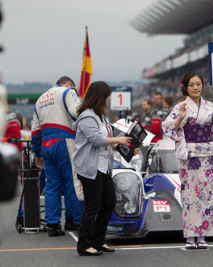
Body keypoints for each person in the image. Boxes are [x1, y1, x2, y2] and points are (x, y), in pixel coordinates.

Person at [162, 71, 213, 250]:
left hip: (208, 157)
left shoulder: (210, 106)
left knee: (207, 195)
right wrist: (180, 117)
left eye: (198, 84)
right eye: (191, 85)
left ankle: (203, 234)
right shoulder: (181, 107)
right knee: (189, 196)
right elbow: (168, 129)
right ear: (185, 88)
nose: (195, 88)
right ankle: (190, 236)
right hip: (189, 157)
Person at [72, 81, 137, 256]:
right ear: (100, 96)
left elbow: (108, 143)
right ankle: (84, 245)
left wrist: (129, 147)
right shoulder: (86, 116)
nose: (110, 99)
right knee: (92, 206)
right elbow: (96, 140)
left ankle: (98, 241)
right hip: (89, 168)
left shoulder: (102, 117)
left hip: (103, 167)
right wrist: (119, 140)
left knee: (109, 203)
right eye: (108, 95)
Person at [31, 76, 84, 236]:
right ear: (68, 84)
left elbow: (35, 131)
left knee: (52, 185)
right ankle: (77, 221)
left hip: (46, 144)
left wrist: (37, 153)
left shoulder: (40, 99)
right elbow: (77, 112)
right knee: (72, 182)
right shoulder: (68, 91)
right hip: (65, 141)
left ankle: (52, 225)